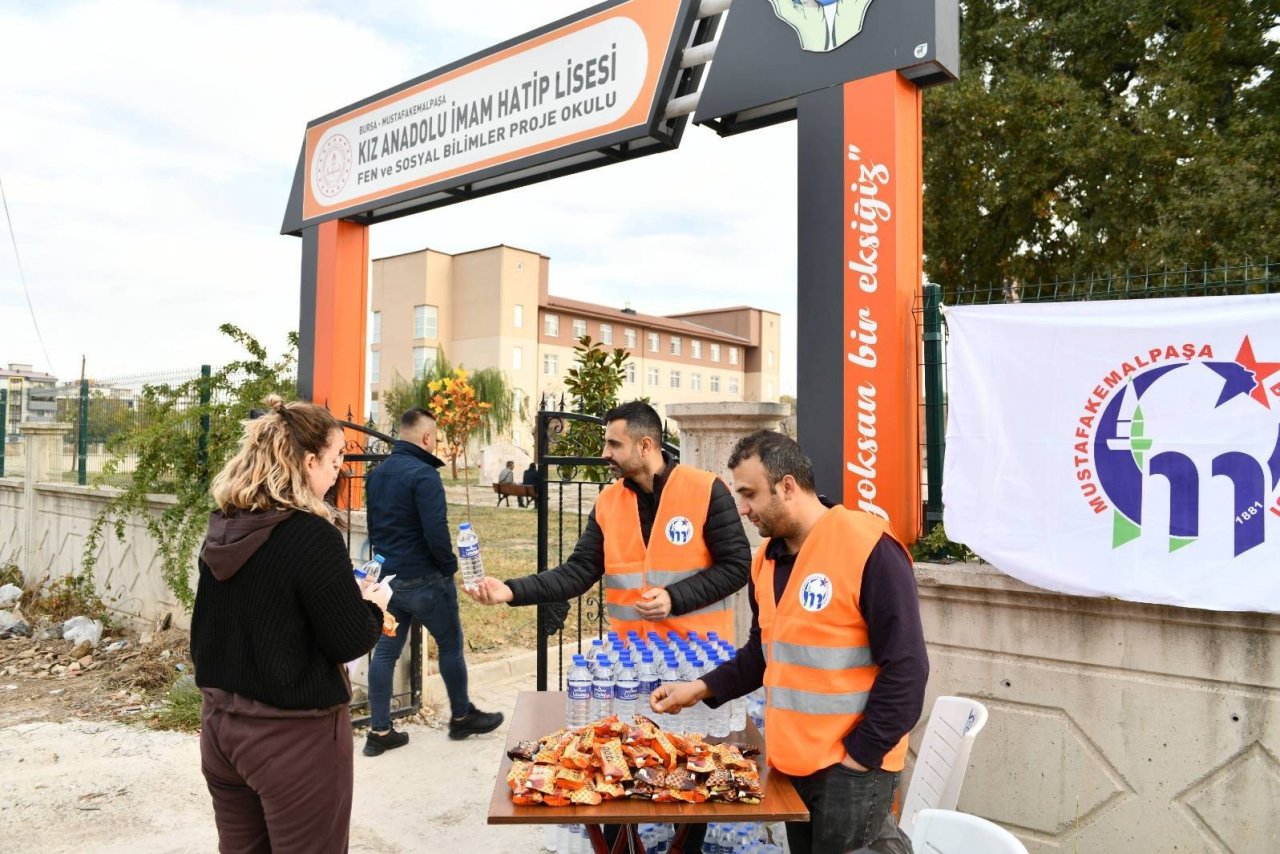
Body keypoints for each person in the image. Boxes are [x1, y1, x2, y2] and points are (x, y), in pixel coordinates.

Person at [466, 400, 752, 853]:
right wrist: (511, 590)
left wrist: (677, 598)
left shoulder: (705, 490)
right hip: (629, 679)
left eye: (613, 443)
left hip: (692, 675)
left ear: (645, 444)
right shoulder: (609, 500)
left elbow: (738, 565)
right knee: (624, 788)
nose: (605, 453)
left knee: (691, 792)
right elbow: (579, 571)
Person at [650, 430, 929, 854]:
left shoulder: (869, 546)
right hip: (794, 765)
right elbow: (761, 655)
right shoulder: (765, 560)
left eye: (749, 494)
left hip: (850, 769)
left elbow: (908, 670)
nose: (742, 509)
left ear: (787, 486)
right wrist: (699, 689)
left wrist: (858, 758)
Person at [191, 395, 392, 853]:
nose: (340, 468)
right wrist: (373, 606)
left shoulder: (225, 524)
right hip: (293, 738)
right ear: (308, 460)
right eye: (337, 457)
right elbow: (348, 638)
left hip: (222, 728)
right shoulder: (310, 533)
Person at [363, 407, 503, 755]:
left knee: (385, 653)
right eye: (435, 437)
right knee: (451, 644)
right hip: (426, 581)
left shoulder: (376, 475)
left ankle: (379, 732)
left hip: (390, 584)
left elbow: (374, 527)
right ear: (427, 438)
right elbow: (435, 532)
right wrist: (448, 567)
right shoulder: (424, 475)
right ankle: (461, 717)